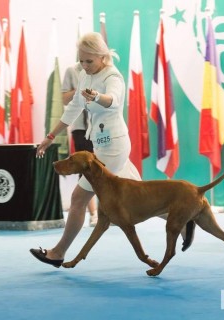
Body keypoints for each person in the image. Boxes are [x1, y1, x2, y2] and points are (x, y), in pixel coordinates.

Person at [30, 32, 195, 268]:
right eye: (81, 61)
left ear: (102, 57)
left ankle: (57, 253)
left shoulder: (112, 75)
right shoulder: (85, 76)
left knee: (78, 198)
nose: (85, 66)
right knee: (140, 200)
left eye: (89, 61)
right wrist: (49, 136)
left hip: (113, 146)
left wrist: (97, 96)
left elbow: (114, 100)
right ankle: (184, 220)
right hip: (101, 144)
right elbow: (73, 109)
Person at [62, 62, 98, 227]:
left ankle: (107, 210)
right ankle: (94, 213)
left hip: (99, 125)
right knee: (85, 169)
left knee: (103, 169)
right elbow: (64, 98)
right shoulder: (72, 71)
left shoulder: (101, 71)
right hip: (80, 128)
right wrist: (80, 90)